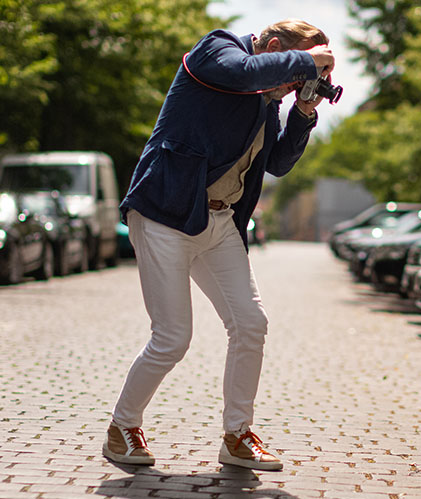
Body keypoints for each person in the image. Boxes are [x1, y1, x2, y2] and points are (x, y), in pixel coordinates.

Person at [102, 20, 335, 471]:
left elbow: (280, 163)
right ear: (272, 47)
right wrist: (310, 61)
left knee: (251, 323)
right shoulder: (217, 50)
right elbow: (244, 73)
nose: (291, 86)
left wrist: (304, 111)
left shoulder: (267, 99)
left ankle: (237, 436)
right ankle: (121, 427)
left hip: (219, 220)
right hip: (166, 211)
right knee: (172, 338)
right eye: (294, 76)